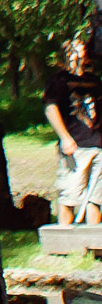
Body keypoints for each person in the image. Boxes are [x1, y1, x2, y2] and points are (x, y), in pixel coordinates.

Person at [46, 19, 102, 230]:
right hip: (75, 145)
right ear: (67, 54)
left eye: (83, 50)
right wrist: (65, 138)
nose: (81, 54)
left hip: (97, 143)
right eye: (76, 50)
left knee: (95, 195)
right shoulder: (59, 80)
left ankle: (93, 240)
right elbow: (51, 108)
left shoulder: (94, 80)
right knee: (70, 193)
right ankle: (63, 237)